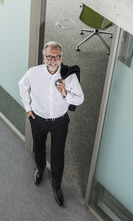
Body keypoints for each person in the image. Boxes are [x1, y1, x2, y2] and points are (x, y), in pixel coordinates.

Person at [18, 41, 84, 206]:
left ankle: (56, 186)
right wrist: (28, 108)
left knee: (57, 154)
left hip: (60, 122)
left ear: (61, 57)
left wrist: (66, 94)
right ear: (44, 57)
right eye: (49, 57)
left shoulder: (68, 76)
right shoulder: (34, 73)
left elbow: (80, 98)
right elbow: (22, 86)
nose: (53, 60)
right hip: (38, 119)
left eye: (57, 57)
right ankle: (40, 169)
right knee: (39, 147)